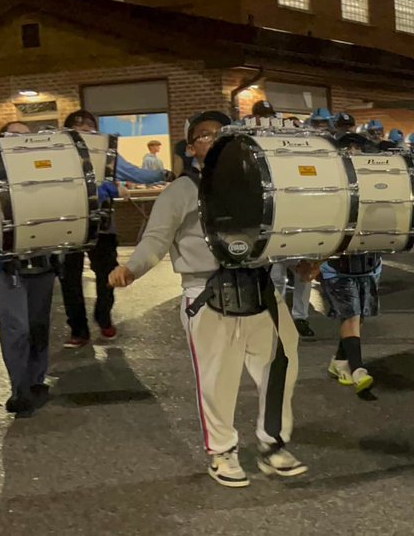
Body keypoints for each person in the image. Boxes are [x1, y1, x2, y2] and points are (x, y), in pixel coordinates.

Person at [109, 110, 307, 488]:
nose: (213, 139)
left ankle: (273, 445)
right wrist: (132, 268)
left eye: (222, 133)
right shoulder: (181, 191)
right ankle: (222, 451)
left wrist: (300, 264)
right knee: (218, 378)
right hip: (206, 291)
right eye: (204, 135)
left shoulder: (258, 185)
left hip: (260, 286)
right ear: (190, 147)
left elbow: (279, 233)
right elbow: (156, 238)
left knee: (280, 366)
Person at [0, 121, 58, 417]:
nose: (19, 140)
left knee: (37, 326)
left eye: (25, 136)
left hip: (42, 261)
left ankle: (35, 381)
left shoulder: (43, 174)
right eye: (12, 136)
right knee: (15, 328)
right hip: (6, 265)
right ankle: (19, 389)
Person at [60, 110, 129, 348]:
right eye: (78, 127)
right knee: (69, 280)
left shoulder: (105, 151)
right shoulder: (59, 155)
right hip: (68, 225)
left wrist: (162, 174)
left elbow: (129, 171)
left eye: (89, 126)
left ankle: (104, 317)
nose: (84, 131)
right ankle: (78, 330)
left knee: (107, 276)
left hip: (103, 227)